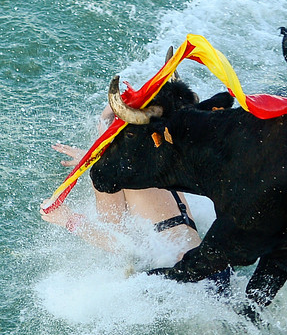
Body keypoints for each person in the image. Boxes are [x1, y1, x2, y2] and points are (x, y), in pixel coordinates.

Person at [41, 107, 231, 292]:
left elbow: (119, 243)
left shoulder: (109, 175)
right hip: (213, 268)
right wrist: (93, 157)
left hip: (180, 280)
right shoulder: (165, 155)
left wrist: (67, 219)